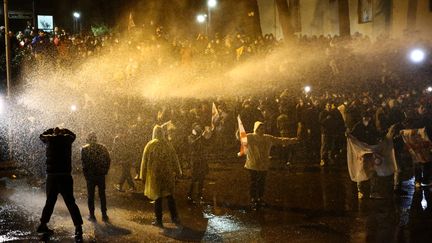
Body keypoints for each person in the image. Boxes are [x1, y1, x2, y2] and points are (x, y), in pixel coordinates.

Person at [37, 127, 83, 241]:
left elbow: (41, 136)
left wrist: (50, 130)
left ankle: (43, 224)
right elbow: (74, 135)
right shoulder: (67, 139)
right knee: (70, 202)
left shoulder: (49, 140)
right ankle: (78, 227)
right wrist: (65, 130)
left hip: (52, 176)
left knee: (50, 202)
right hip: (65, 176)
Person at [245, 121, 298, 210]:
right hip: (252, 165)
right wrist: (237, 130)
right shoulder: (250, 137)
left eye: (263, 128)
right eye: (260, 128)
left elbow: (279, 140)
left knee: (261, 183)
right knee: (254, 183)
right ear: (256, 129)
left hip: (263, 165)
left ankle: (260, 198)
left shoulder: (267, 138)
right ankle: (253, 199)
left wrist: (293, 140)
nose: (262, 130)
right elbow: (240, 138)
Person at [140, 125, 183, 228]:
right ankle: (175, 217)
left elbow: (144, 161)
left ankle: (159, 220)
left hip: (155, 175)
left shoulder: (150, 145)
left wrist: (143, 175)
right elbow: (174, 159)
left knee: (157, 197)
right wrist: (178, 171)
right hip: (167, 175)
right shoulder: (168, 145)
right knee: (170, 196)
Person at [81, 132, 111, 222]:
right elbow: (108, 160)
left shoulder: (84, 149)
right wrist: (105, 170)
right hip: (100, 175)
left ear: (88, 139)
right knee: (102, 195)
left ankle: (92, 215)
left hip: (90, 176)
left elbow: (84, 164)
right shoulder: (103, 148)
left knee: (91, 195)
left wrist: (86, 175)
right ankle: (104, 214)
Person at [187, 123, 211, 203]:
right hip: (195, 160)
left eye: (199, 126)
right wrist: (201, 137)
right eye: (197, 127)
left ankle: (199, 195)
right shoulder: (190, 137)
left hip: (202, 160)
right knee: (194, 178)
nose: (199, 128)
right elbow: (193, 144)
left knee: (201, 179)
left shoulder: (202, 137)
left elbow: (209, 142)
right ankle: (190, 195)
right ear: (193, 129)